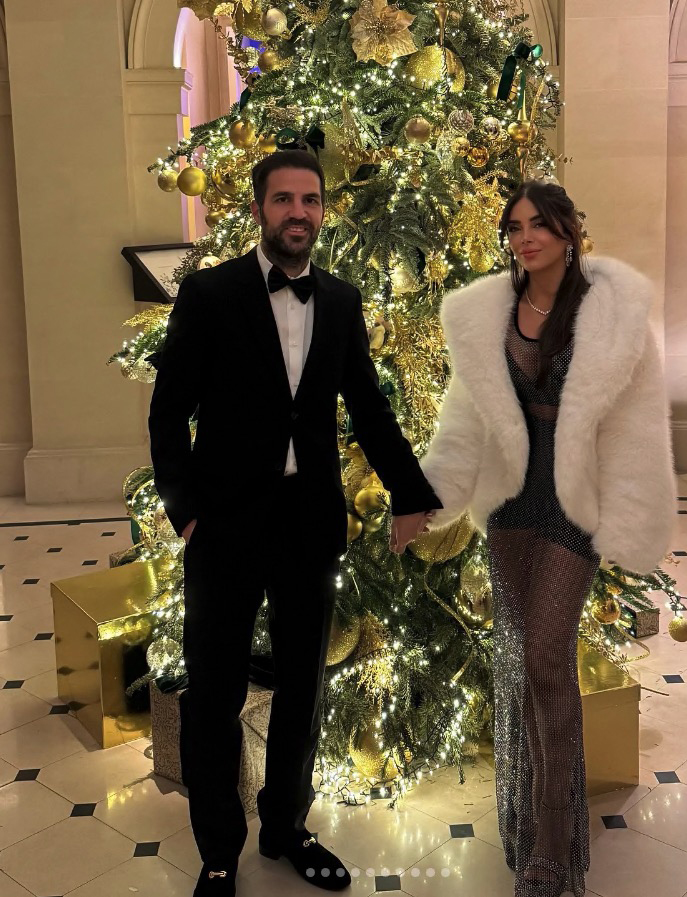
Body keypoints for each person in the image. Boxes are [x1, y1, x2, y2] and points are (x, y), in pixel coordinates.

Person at [148, 148, 440, 896]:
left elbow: (369, 410)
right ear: (258, 210)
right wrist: (183, 511)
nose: (299, 213)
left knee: (303, 689)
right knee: (213, 693)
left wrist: (410, 494)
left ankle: (286, 826)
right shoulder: (210, 295)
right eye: (284, 200)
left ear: (322, 211)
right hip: (221, 527)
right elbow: (167, 409)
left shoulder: (339, 303)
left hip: (307, 524)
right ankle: (219, 849)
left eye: (310, 200)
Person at [412, 180, 676, 897]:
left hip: (572, 508)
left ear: (568, 232)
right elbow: (464, 424)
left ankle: (553, 852)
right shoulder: (485, 312)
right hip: (510, 509)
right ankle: (536, 818)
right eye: (515, 225)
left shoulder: (613, 315)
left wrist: (632, 515)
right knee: (529, 666)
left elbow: (637, 427)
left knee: (545, 654)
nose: (525, 236)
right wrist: (425, 502)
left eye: (539, 223)